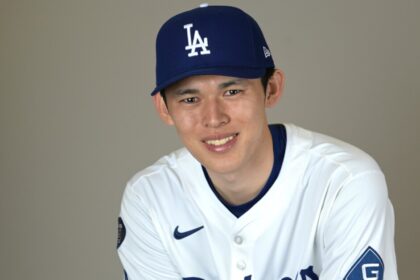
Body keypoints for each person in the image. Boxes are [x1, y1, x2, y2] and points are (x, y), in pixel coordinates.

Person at [116, 5, 398, 280]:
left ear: (271, 88)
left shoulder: (345, 182)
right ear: (164, 108)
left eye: (232, 91)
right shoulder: (149, 198)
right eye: (190, 99)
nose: (213, 118)